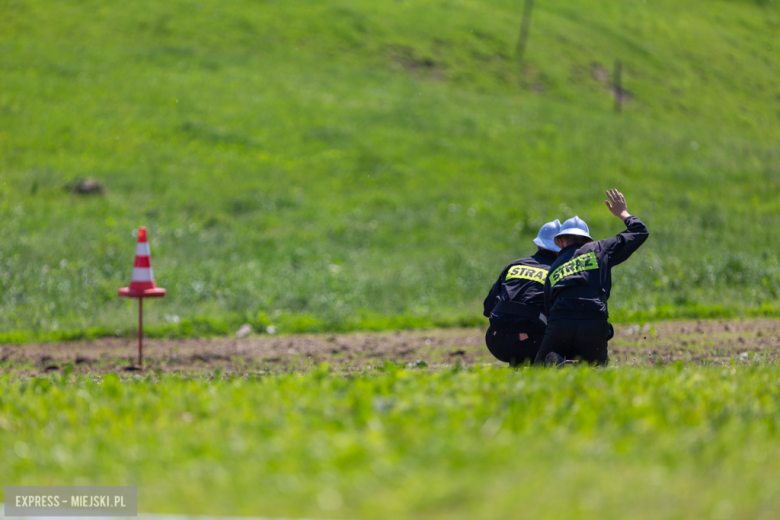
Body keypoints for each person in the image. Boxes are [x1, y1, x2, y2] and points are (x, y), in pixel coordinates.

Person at [534, 189, 649, 367]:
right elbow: (640, 231)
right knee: (596, 370)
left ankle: (563, 365)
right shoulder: (600, 248)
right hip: (594, 321)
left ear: (561, 242)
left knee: (539, 369)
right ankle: (583, 365)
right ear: (587, 241)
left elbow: (550, 311)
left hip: (560, 322)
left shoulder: (554, 267)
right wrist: (623, 213)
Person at [483, 220, 561, 366]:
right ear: (563, 247)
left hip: (495, 341)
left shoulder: (514, 265)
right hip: (531, 344)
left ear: (539, 244)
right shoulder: (559, 272)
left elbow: (488, 308)